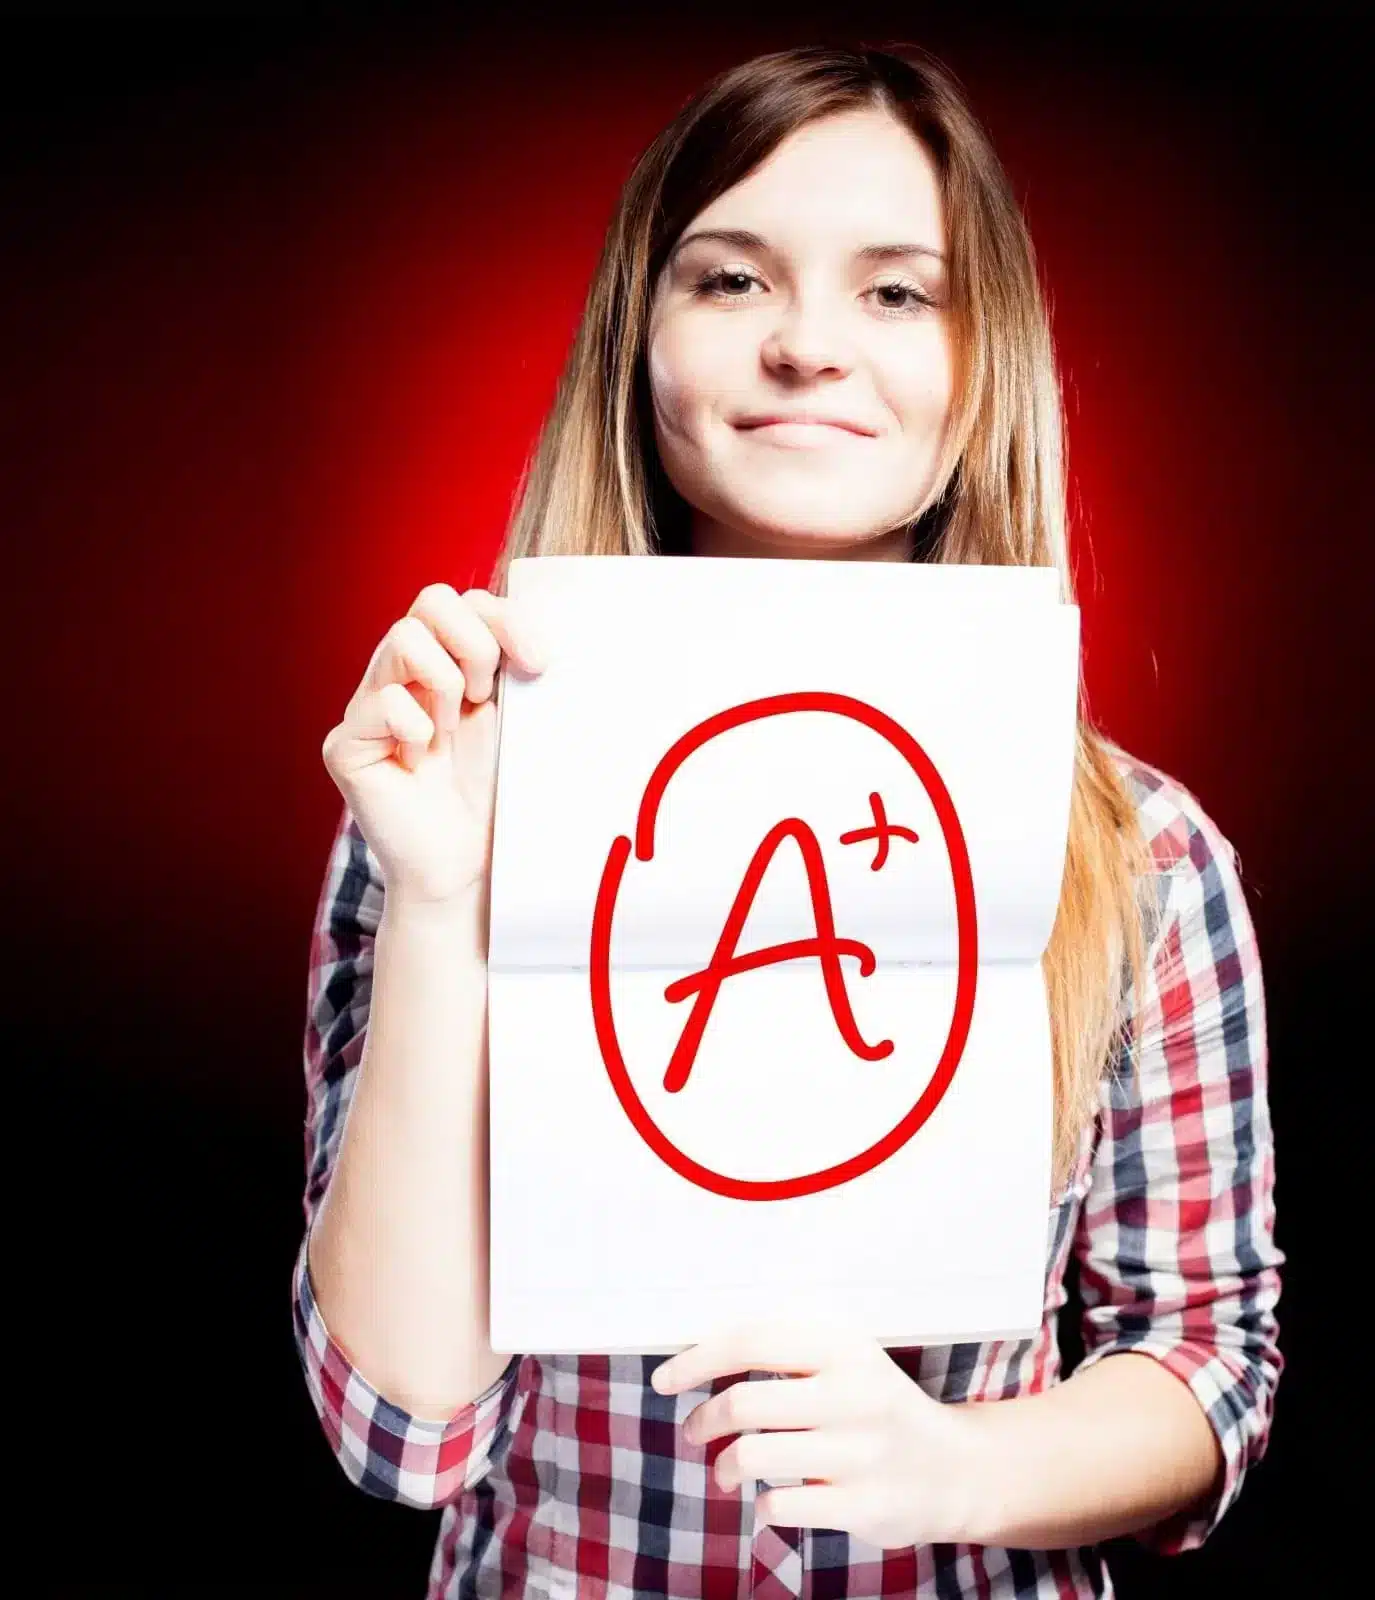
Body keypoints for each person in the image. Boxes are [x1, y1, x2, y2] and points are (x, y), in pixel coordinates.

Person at [294, 42, 1284, 1600]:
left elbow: (1208, 1364)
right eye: (731, 279)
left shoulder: (1143, 856)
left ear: (985, 361)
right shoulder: (448, 792)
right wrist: (438, 906)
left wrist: (956, 1468)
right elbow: (401, 1433)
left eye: (899, 292)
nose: (809, 347)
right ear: (642, 341)